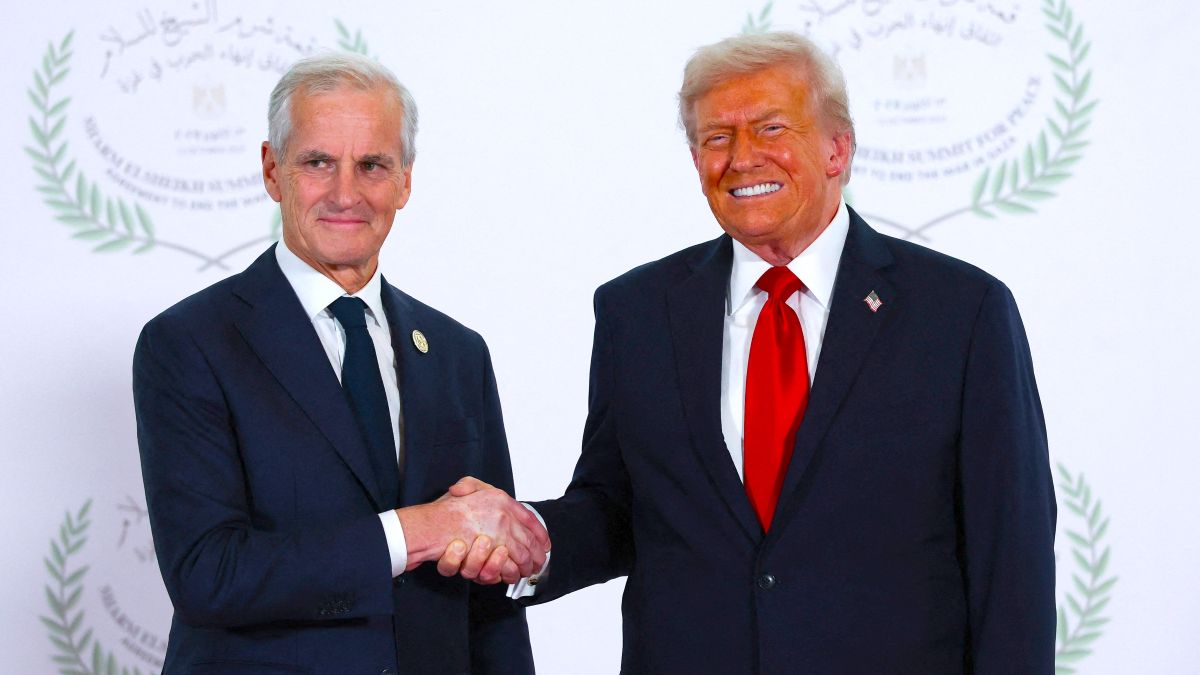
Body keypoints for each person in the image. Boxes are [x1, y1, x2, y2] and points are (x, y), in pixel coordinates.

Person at [443, 31, 1057, 673]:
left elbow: (1010, 555)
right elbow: (617, 510)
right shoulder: (637, 312)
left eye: (770, 129)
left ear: (836, 148)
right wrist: (533, 541)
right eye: (716, 138)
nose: (741, 158)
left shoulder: (960, 312)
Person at [133, 52, 547, 674]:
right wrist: (417, 531)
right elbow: (207, 574)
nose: (345, 193)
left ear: (406, 179)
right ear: (273, 171)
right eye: (318, 162)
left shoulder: (458, 352)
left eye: (372, 165)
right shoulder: (189, 342)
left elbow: (486, 596)